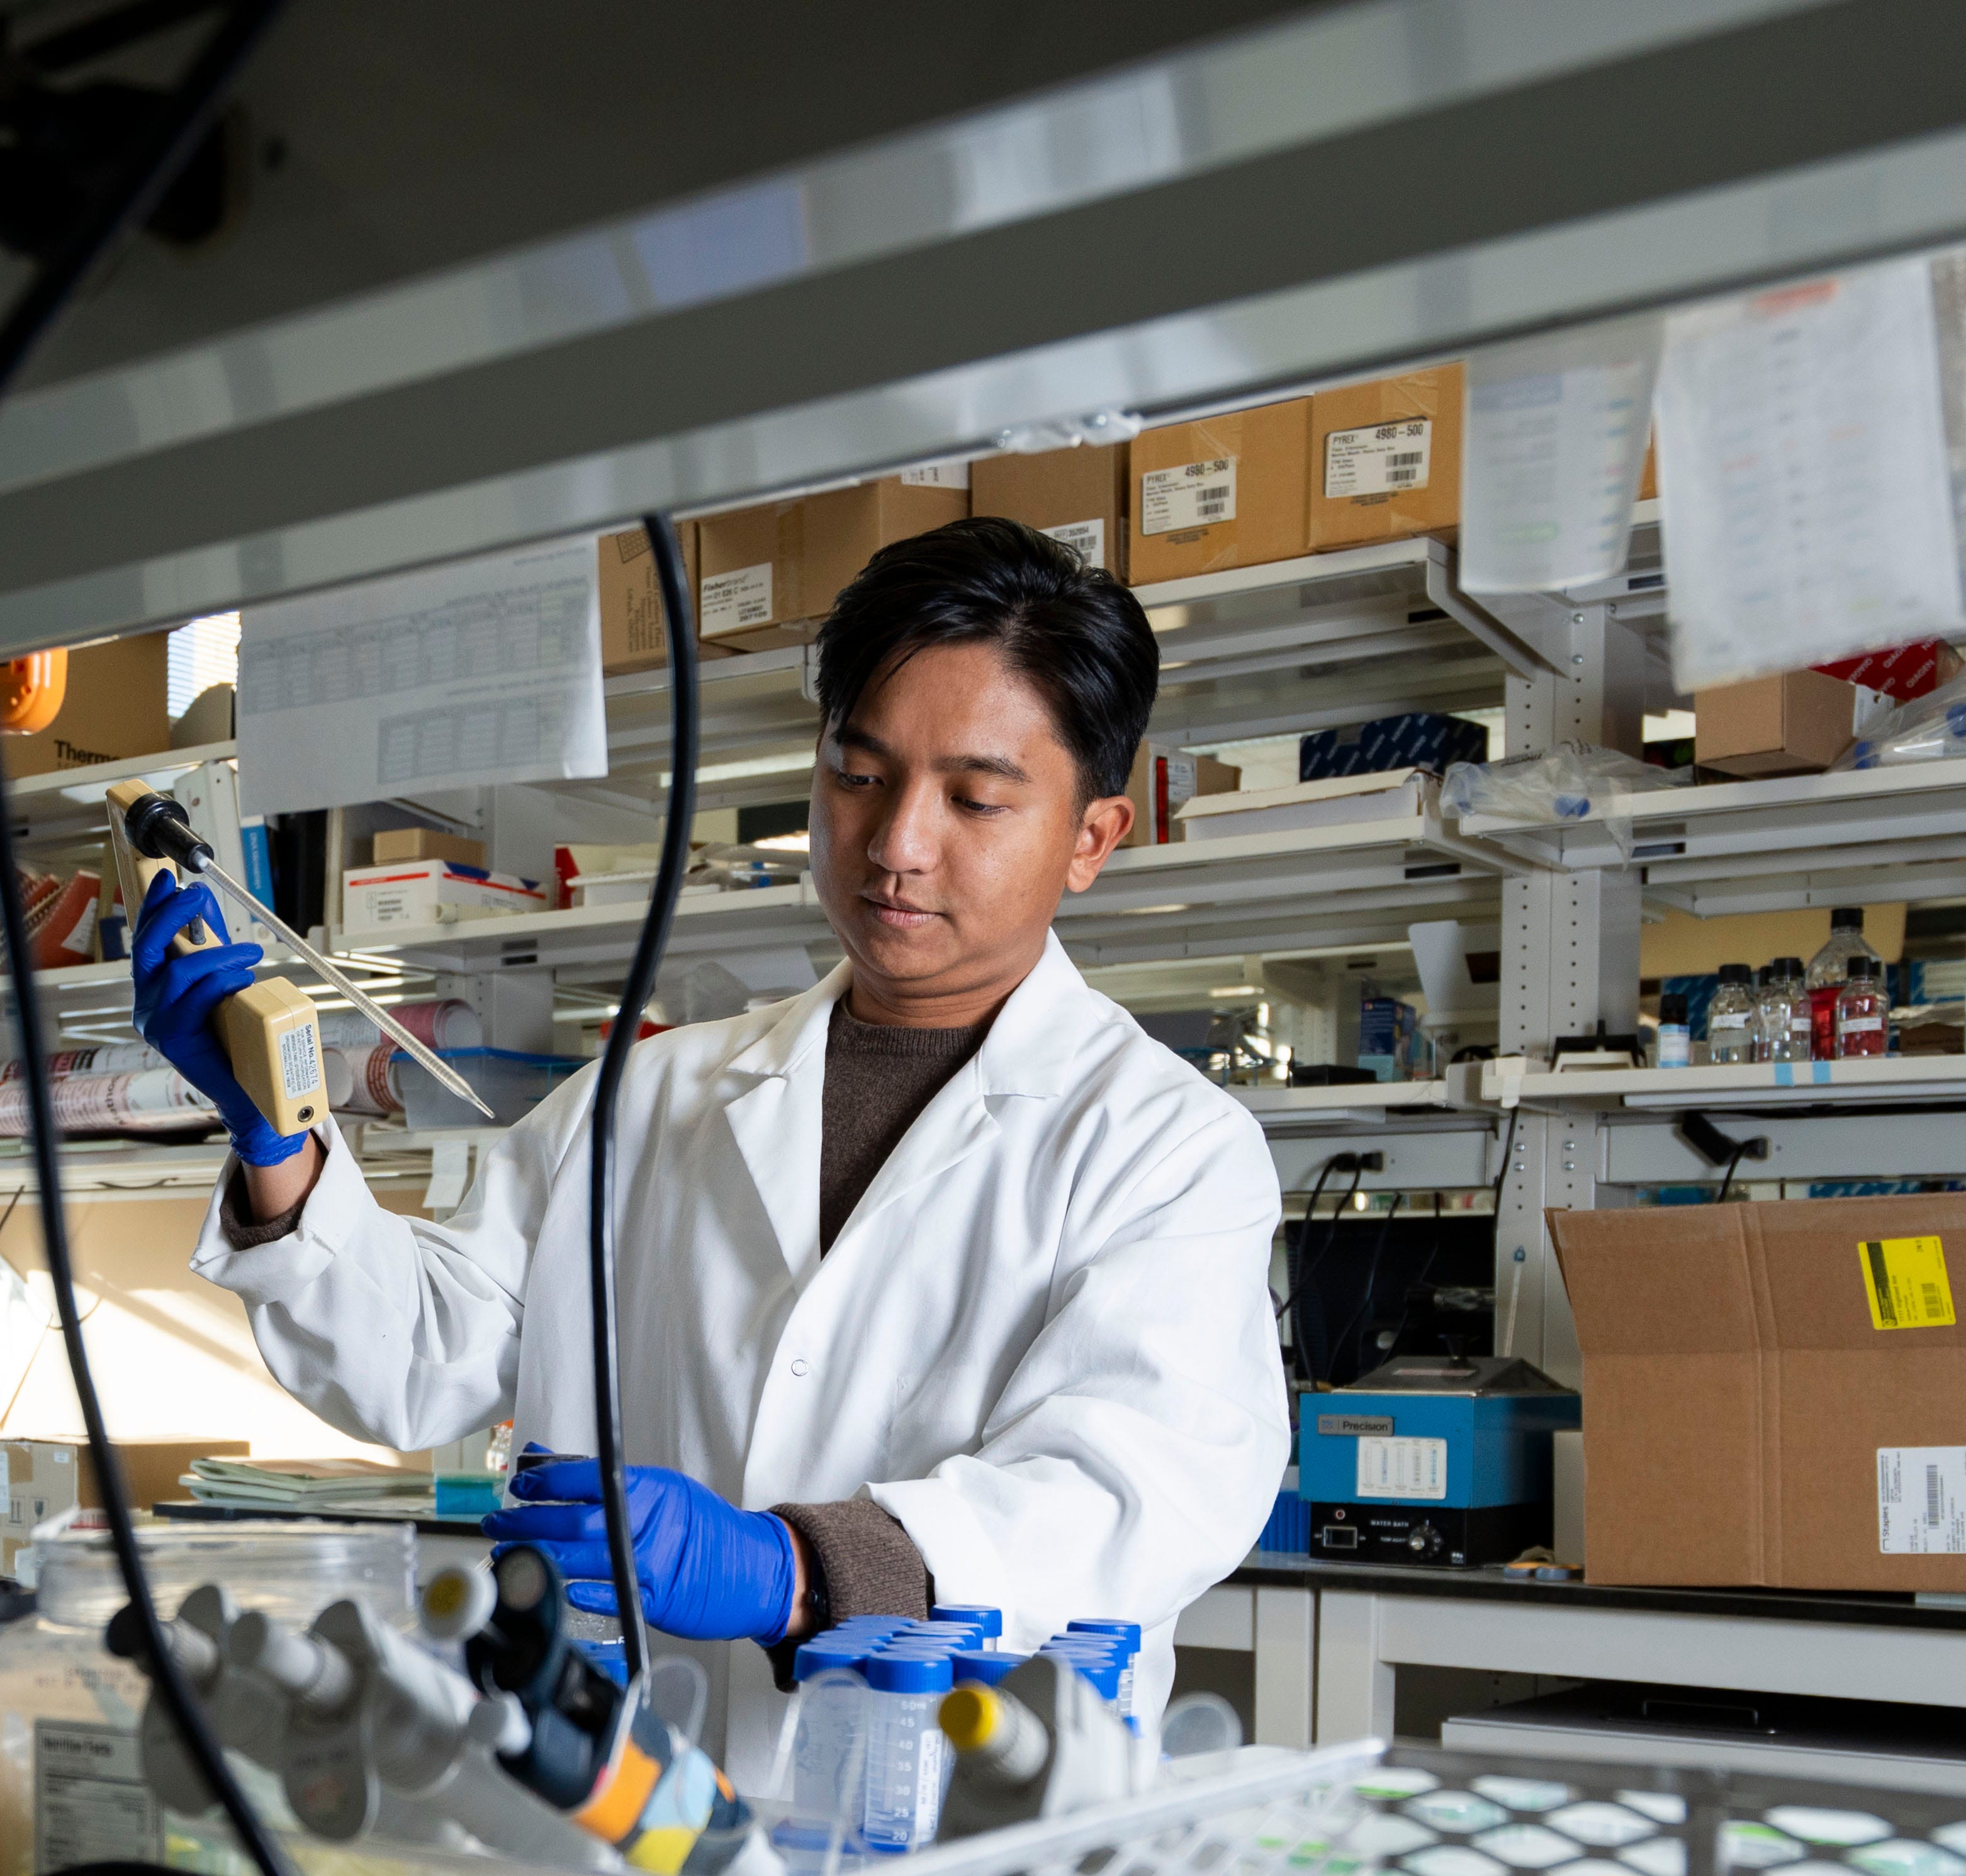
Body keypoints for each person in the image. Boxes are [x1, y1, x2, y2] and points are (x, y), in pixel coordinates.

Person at [131, 515, 1286, 1787]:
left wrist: (795, 1569)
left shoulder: (1167, 1150)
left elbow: (1134, 1493)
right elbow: (417, 1359)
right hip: (629, 1813)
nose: (897, 843)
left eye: (973, 799)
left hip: (959, 1834)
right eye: (858, 774)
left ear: (1091, 837)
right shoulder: (650, 1096)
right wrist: (278, 1138)